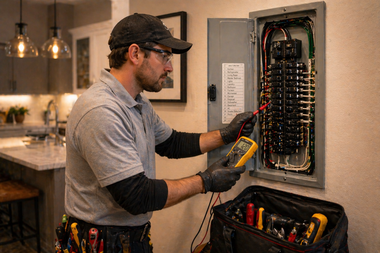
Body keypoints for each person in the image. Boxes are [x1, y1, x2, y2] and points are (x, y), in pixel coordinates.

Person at [64, 13, 257, 253]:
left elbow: (172, 143)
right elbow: (136, 196)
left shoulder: (139, 102)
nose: (170, 67)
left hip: (131, 237)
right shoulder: (101, 110)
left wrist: (227, 134)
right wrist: (205, 181)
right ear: (135, 54)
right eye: (163, 55)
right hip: (100, 242)